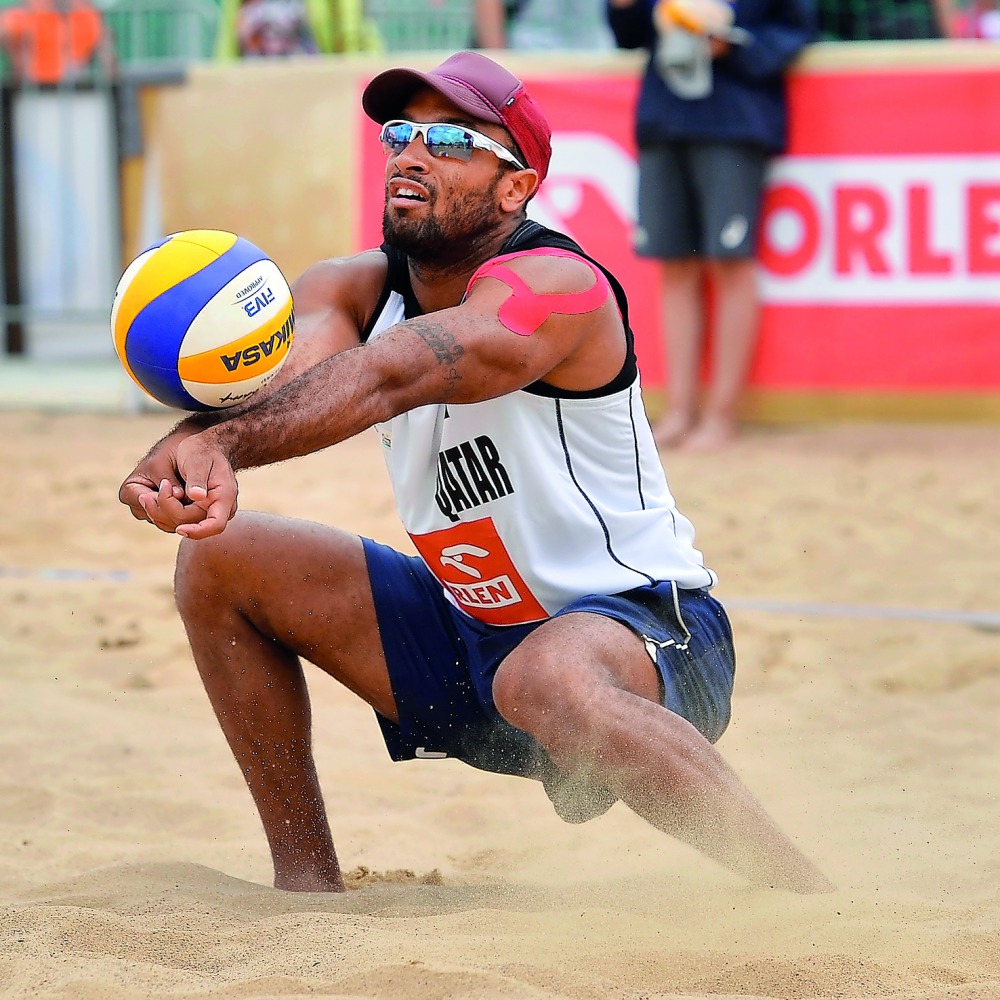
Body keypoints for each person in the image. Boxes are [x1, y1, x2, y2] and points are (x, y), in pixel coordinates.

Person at [118, 50, 834, 895]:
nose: (411, 153)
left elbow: (394, 375)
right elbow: (293, 384)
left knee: (548, 674)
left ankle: (803, 900)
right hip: (475, 637)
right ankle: (305, 890)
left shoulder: (557, 286)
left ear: (515, 187)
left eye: (449, 139)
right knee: (219, 559)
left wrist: (225, 442)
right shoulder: (347, 286)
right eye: (399, 134)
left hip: (650, 634)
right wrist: (194, 441)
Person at [607, 0, 815, 450]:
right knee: (675, 266)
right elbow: (629, 33)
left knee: (730, 262)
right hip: (666, 119)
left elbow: (797, 30)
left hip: (735, 120)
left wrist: (735, 46)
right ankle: (680, 410)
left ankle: (722, 414)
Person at [0, 0, 115, 85]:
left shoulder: (86, 14)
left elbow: (107, 54)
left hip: (75, 88)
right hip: (35, 87)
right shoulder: (27, 12)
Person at [235, 0, 319, 57]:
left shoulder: (296, 6)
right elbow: (243, 33)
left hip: (293, 58)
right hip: (261, 61)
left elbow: (307, 39)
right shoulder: (251, 10)